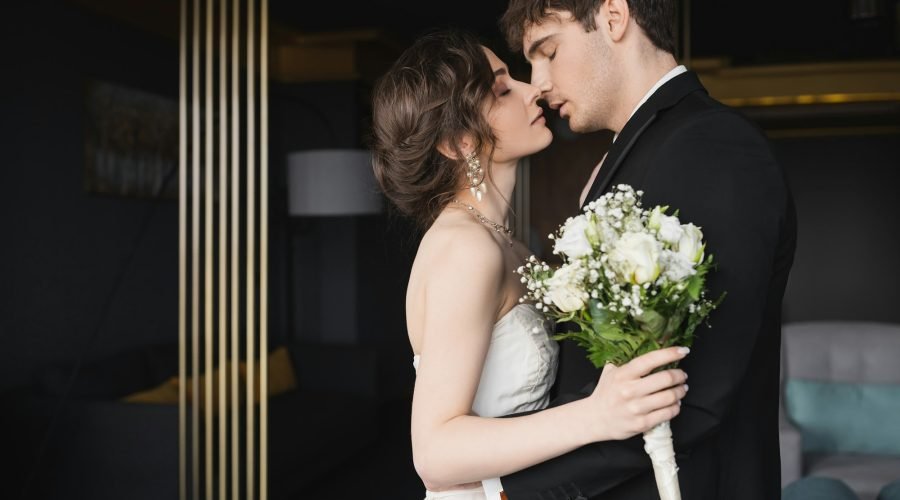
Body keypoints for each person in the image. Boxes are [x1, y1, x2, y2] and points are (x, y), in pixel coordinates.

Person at [489, 0, 798, 499]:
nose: (538, 83)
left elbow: (693, 393)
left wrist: (509, 489)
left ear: (613, 17)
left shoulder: (712, 144)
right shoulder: (643, 149)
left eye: (548, 52)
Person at [369, 29, 690, 500]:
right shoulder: (466, 249)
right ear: (458, 142)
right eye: (502, 89)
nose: (532, 89)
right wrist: (598, 414)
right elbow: (434, 455)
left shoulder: (504, 241)